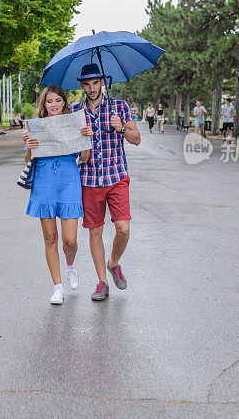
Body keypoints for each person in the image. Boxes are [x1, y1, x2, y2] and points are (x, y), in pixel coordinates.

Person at [71, 64, 141, 301]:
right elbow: (72, 149)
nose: (92, 88)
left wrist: (120, 128)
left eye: (96, 83)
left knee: (123, 228)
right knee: (95, 232)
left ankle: (114, 262)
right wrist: (83, 140)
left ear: (102, 82)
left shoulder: (119, 107)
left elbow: (137, 139)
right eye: (87, 84)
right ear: (82, 85)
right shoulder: (75, 112)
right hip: (89, 179)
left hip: (116, 177)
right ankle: (102, 282)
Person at [23, 86, 92, 305]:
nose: (54, 105)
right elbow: (28, 159)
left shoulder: (74, 123)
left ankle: (70, 266)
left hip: (68, 180)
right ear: (44, 104)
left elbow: (85, 157)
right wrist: (28, 146)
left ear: (64, 102)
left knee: (70, 240)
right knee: (50, 237)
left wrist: (87, 138)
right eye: (49, 101)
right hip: (44, 182)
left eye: (58, 101)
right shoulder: (36, 126)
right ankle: (57, 287)